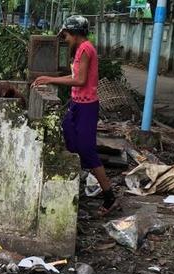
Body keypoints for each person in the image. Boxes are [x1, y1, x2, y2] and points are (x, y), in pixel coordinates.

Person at [32, 15, 119, 216]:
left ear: (76, 34)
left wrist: (51, 79)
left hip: (87, 106)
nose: (65, 39)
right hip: (77, 104)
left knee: (87, 150)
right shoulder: (80, 49)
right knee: (69, 134)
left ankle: (109, 196)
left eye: (66, 35)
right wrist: (49, 79)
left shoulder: (86, 49)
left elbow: (79, 80)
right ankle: (78, 179)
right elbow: (76, 77)